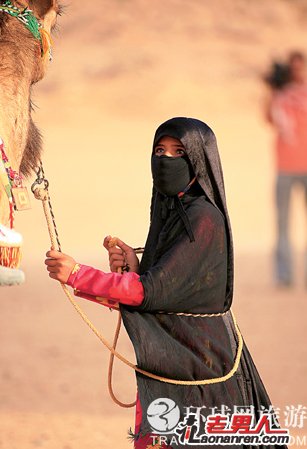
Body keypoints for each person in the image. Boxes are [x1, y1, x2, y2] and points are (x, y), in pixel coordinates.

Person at [45, 118, 288, 449]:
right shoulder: (172, 213)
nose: (166, 159)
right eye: (160, 150)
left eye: (178, 152)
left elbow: (151, 292)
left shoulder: (204, 219)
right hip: (171, 359)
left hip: (200, 368)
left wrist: (78, 274)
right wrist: (133, 269)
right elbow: (162, 290)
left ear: (198, 160)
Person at [264, 51, 307, 287]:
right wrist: (271, 90)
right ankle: (284, 275)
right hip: (285, 167)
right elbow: (268, 118)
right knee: (282, 223)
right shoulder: (279, 95)